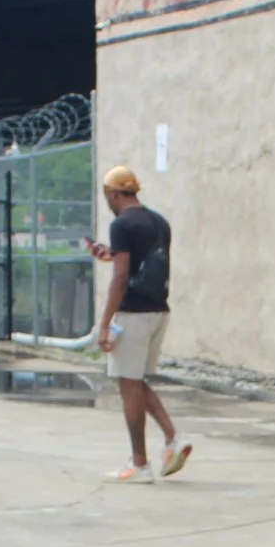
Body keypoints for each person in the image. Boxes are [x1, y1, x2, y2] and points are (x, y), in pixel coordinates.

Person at [85, 165, 192, 482]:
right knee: (134, 381)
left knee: (127, 384)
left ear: (113, 193)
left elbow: (120, 278)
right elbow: (140, 265)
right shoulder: (159, 221)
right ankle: (172, 439)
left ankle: (140, 463)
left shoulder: (121, 224)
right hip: (159, 311)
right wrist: (109, 254)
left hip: (133, 314)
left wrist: (104, 324)